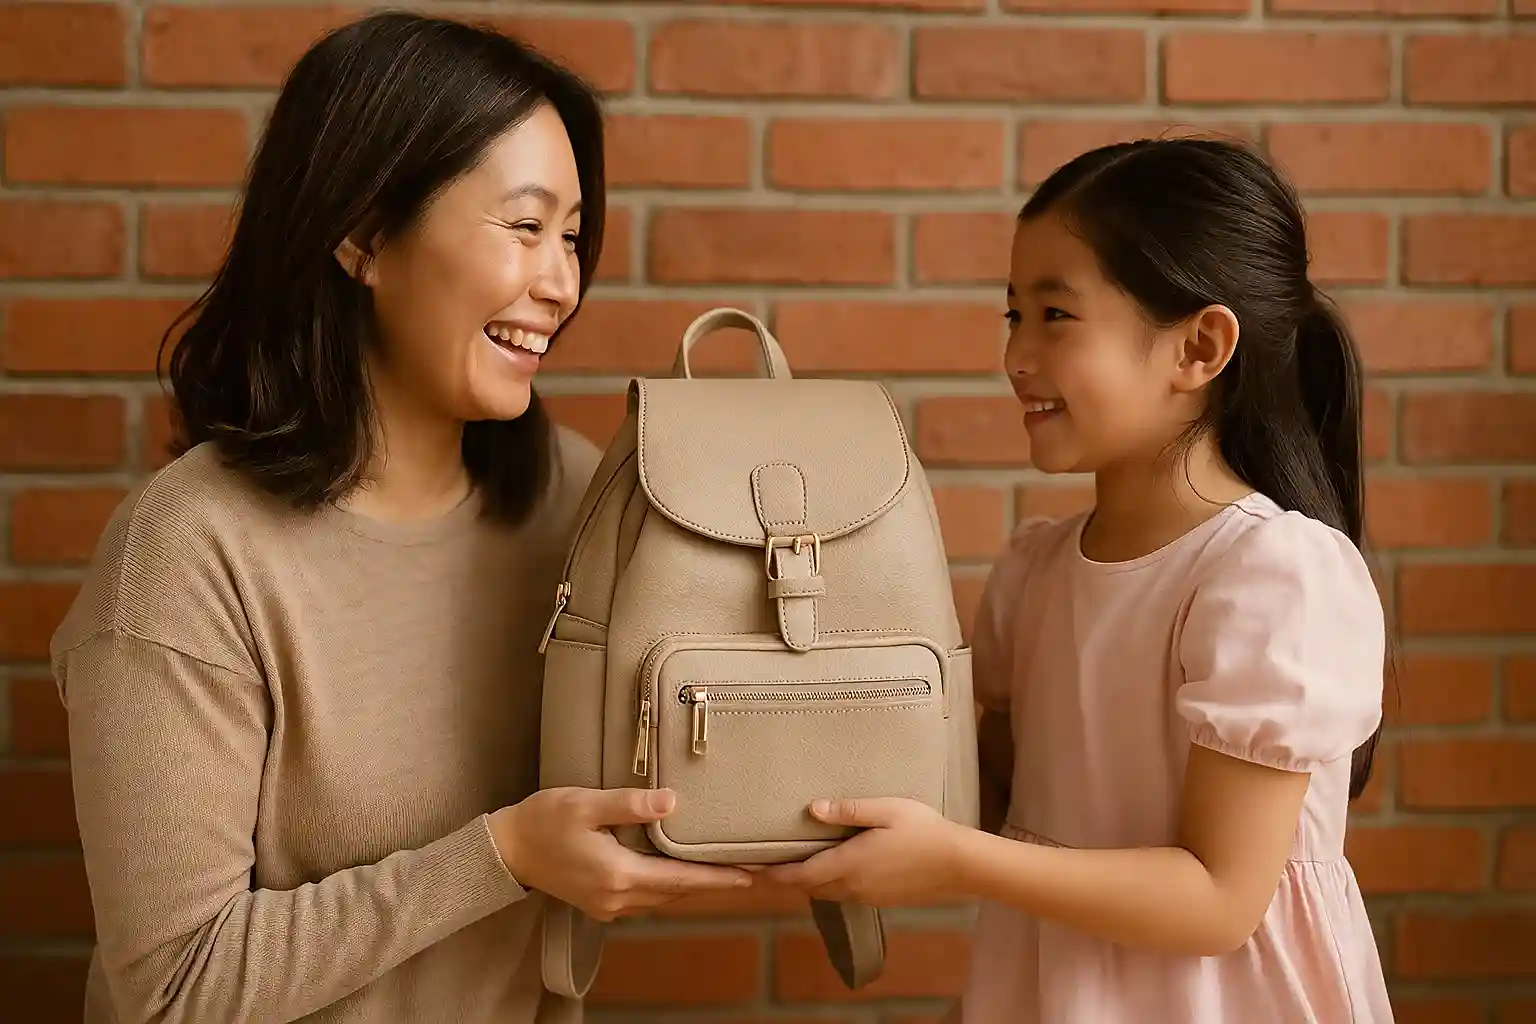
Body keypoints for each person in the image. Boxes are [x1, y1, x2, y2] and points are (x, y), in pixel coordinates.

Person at [51, 12, 750, 1024]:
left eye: (571, 235)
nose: (562, 282)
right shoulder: (190, 551)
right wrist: (503, 856)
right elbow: (174, 987)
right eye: (523, 225)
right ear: (364, 231)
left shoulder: (572, 499)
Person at [765, 138, 1393, 1022]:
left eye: (1055, 317)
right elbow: (987, 804)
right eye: (1012, 315)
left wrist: (952, 859)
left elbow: (1219, 900)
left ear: (1199, 347)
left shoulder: (1271, 575)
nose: (1017, 356)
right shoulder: (1038, 568)